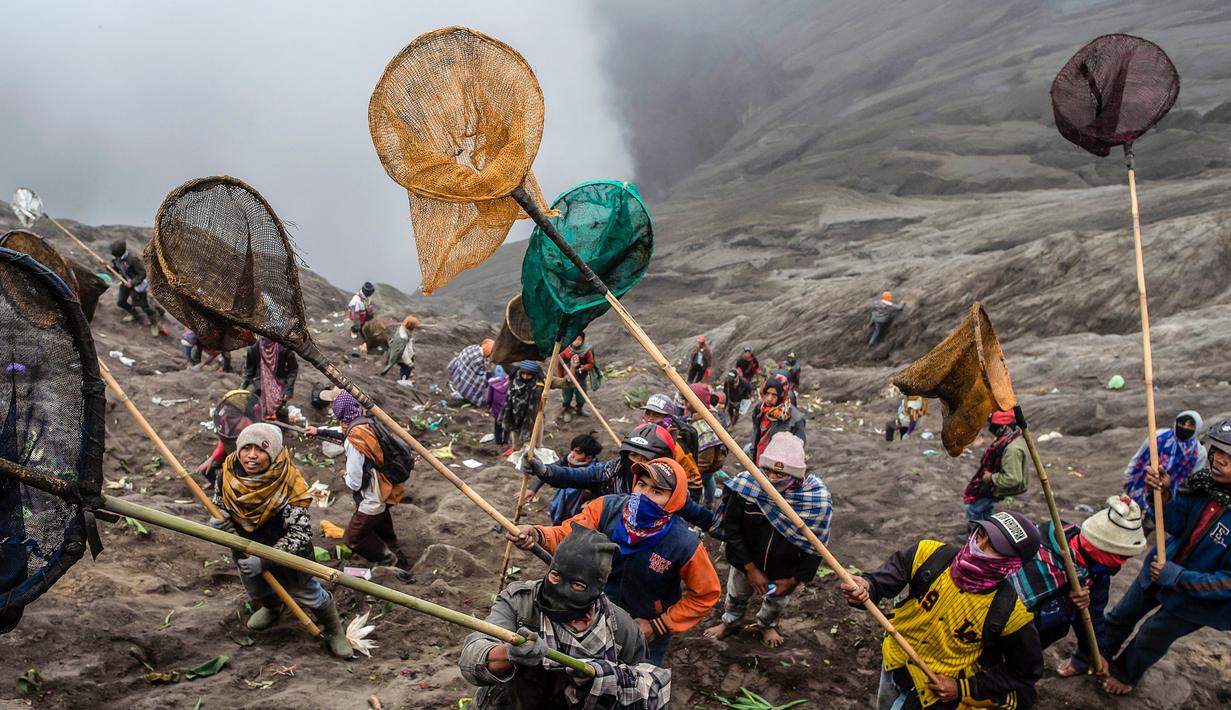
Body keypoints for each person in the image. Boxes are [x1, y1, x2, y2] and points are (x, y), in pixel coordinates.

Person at [510, 458, 721, 665]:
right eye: (641, 484)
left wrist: (659, 625)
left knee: (635, 686)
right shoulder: (606, 508)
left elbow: (705, 594)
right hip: (592, 611)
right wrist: (538, 534)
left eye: (656, 491)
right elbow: (570, 535)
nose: (643, 495)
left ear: (674, 500)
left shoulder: (684, 544)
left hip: (643, 627)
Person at [841, 511, 1044, 709]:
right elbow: (880, 582)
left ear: (1011, 564)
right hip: (893, 659)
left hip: (932, 691)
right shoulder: (928, 554)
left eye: (992, 547)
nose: (977, 546)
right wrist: (865, 588)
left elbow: (1025, 670)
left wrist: (963, 688)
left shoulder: (1009, 613)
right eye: (980, 535)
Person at [459, 527, 671, 709]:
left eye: (577, 585)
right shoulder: (519, 603)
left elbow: (639, 687)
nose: (559, 589)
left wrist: (605, 676)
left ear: (596, 590)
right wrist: (509, 653)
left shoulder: (622, 629)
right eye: (555, 576)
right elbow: (472, 656)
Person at [1100, 418, 1231, 696]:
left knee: (1152, 635)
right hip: (1157, 570)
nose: (1219, 460)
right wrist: (1162, 494)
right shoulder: (1203, 484)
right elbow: (1173, 523)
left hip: (1195, 599)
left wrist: (1179, 577)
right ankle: (1090, 656)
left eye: (1230, 457)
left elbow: (1228, 582)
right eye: (1218, 451)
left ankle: (1125, 673)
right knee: (1120, 616)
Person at [208, 423, 352, 658]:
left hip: (288, 555)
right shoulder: (227, 474)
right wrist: (219, 521)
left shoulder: (289, 484)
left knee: (308, 594)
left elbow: (300, 533)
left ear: (273, 453)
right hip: (245, 548)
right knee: (257, 588)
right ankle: (272, 608)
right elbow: (220, 504)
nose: (251, 456)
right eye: (247, 448)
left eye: (261, 449)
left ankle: (335, 629)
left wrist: (265, 559)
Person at [703, 433, 829, 648]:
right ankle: (731, 622)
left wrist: (794, 580)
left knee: (777, 600)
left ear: (797, 477)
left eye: (780, 473)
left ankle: (767, 624)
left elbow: (816, 547)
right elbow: (733, 531)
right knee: (736, 594)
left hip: (784, 569)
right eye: (768, 470)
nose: (771, 478)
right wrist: (750, 568)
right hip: (746, 561)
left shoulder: (814, 501)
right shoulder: (746, 489)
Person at [1009, 496, 1146, 678]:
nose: (1123, 563)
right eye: (1120, 556)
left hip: (1038, 640)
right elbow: (1009, 619)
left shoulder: (1096, 571)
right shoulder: (1037, 558)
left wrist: (1095, 652)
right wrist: (1064, 606)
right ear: (1100, 547)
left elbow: (1092, 614)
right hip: (1006, 638)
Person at [523, 423, 714, 530]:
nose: (637, 463)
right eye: (633, 456)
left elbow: (696, 513)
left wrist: (719, 527)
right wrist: (543, 471)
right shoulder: (610, 472)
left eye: (645, 458)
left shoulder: (671, 487)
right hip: (608, 540)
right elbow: (572, 476)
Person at [307, 392, 406, 566]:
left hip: (372, 496)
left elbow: (356, 481)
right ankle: (395, 549)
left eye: (333, 405)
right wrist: (319, 431)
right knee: (382, 523)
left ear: (340, 409)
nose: (331, 408)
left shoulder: (354, 441)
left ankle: (389, 561)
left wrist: (345, 475)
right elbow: (343, 431)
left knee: (353, 538)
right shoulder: (364, 423)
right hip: (386, 487)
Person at [1123, 409, 1205, 530]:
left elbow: (1194, 479)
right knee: (1129, 513)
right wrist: (1128, 476)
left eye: (1190, 425)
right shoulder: (1159, 436)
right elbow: (1139, 456)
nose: (1185, 428)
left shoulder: (1198, 452)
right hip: (1142, 482)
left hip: (1169, 492)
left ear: (1197, 428)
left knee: (1153, 520)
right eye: (1182, 423)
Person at [963, 411, 1028, 527]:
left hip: (996, 486)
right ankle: (987, 528)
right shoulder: (1007, 439)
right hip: (993, 485)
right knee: (984, 509)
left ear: (1003, 427)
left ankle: (979, 534)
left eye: (992, 425)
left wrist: (991, 477)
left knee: (972, 508)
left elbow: (1013, 479)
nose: (990, 428)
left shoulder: (1012, 449)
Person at [640, 393, 703, 500]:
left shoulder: (676, 445)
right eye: (648, 413)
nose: (649, 419)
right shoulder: (642, 433)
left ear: (668, 419)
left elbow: (694, 481)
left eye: (656, 415)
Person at [195, 390, 262, 488]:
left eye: (230, 406)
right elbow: (224, 440)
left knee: (228, 475)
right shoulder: (224, 419)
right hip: (228, 452)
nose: (227, 408)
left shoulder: (246, 421)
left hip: (243, 455)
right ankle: (215, 486)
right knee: (207, 469)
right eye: (226, 405)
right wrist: (212, 458)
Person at [683, 383, 728, 509]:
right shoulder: (708, 414)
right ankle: (709, 502)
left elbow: (706, 458)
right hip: (713, 463)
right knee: (709, 480)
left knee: (700, 484)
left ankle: (699, 507)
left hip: (706, 465)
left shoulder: (705, 427)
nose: (685, 403)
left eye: (688, 400)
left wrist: (694, 473)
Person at [748, 373, 806, 466]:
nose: (769, 399)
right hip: (758, 458)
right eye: (767, 394)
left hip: (776, 468)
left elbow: (798, 450)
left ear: (782, 395)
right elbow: (756, 436)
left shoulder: (795, 419)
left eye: (774, 395)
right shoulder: (760, 409)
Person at [109, 239, 160, 336]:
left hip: (137, 285)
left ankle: (154, 324)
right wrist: (107, 267)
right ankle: (135, 314)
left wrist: (132, 283)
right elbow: (115, 269)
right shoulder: (115, 259)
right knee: (121, 302)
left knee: (145, 307)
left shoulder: (133, 259)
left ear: (120, 252)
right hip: (125, 282)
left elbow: (142, 274)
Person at [241, 337, 298, 422]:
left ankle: (284, 425)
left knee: (279, 406)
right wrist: (243, 388)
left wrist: (288, 389)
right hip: (259, 380)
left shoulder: (284, 348)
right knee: (247, 402)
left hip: (278, 381)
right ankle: (253, 423)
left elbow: (292, 369)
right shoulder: (254, 347)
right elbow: (249, 370)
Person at [501, 360, 544, 452]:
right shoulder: (514, 377)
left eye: (529, 375)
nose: (525, 376)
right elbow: (502, 362)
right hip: (516, 413)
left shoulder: (540, 381)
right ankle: (517, 450)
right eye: (523, 374)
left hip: (534, 414)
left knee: (536, 442)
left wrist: (570, 373)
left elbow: (562, 383)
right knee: (517, 445)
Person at [558, 333, 595, 422]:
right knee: (567, 395)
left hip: (580, 378)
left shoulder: (586, 351)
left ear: (582, 341)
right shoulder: (565, 351)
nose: (576, 342)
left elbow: (591, 364)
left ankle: (579, 408)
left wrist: (583, 367)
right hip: (568, 378)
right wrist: (560, 377)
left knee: (581, 395)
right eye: (574, 339)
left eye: (579, 339)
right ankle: (567, 410)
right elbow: (559, 365)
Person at [449, 339, 494, 407]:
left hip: (459, 368)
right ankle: (471, 398)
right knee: (481, 381)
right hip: (464, 372)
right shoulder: (478, 359)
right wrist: (489, 378)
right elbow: (479, 374)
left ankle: (461, 393)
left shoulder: (473, 347)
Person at [380, 315, 420, 384]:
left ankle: (405, 377)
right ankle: (403, 381)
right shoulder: (402, 337)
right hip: (403, 357)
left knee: (407, 368)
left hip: (407, 354)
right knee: (405, 369)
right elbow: (403, 352)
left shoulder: (402, 328)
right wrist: (409, 363)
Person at [486, 365, 510, 448]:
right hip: (507, 410)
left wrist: (489, 405)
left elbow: (489, 398)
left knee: (497, 427)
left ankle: (498, 441)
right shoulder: (510, 384)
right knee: (507, 426)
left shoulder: (492, 384)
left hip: (497, 410)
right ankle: (506, 441)